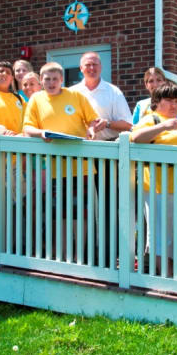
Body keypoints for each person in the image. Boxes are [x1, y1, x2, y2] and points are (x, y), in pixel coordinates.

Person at [22, 62, 106, 262]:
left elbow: (93, 121)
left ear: (62, 80)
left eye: (55, 79)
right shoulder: (36, 99)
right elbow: (27, 128)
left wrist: (92, 129)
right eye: (47, 79)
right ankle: (63, 255)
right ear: (41, 81)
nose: (51, 83)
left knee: (81, 214)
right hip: (54, 168)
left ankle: (78, 256)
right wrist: (41, 132)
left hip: (81, 167)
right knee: (58, 214)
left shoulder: (76, 96)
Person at [131, 83, 177, 276]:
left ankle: (173, 271)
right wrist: (163, 126)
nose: (174, 105)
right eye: (169, 100)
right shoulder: (152, 119)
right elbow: (135, 137)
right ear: (157, 102)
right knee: (159, 231)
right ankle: (166, 272)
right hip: (159, 186)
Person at [70, 51, 132, 141]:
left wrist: (107, 124)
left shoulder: (114, 92)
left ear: (101, 67)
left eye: (95, 64)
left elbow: (128, 125)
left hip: (108, 146)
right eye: (88, 65)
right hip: (78, 146)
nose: (92, 68)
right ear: (81, 68)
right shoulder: (72, 92)